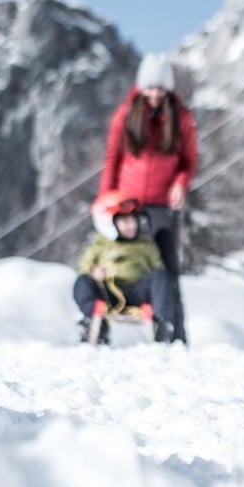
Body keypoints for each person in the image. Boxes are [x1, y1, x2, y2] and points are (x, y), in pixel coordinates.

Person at [98, 52, 198, 344]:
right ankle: (105, 329)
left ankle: (174, 333)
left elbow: (189, 161)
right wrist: (107, 198)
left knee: (167, 271)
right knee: (120, 264)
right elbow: (112, 157)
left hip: (164, 207)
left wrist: (181, 183)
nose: (155, 94)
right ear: (142, 87)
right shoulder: (126, 114)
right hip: (128, 205)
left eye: (160, 88)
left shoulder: (181, 118)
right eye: (150, 87)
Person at [72, 191, 179, 344]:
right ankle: (93, 320)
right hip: (108, 293)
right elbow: (84, 266)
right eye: (125, 221)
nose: (131, 225)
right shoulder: (99, 245)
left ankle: (161, 323)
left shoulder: (145, 244)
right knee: (82, 282)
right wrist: (94, 272)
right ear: (109, 223)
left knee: (161, 276)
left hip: (138, 292)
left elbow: (158, 268)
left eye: (133, 221)